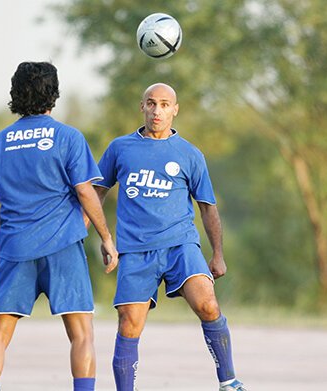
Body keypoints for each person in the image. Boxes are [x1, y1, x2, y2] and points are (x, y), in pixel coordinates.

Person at [0, 61, 118, 391]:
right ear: (54, 92)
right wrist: (106, 237)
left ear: (15, 93)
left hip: (14, 248)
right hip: (63, 246)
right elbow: (85, 191)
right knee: (81, 332)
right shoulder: (68, 136)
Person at [94, 83, 246, 391]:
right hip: (136, 251)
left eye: (165, 104)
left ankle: (228, 382)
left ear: (175, 110)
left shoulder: (190, 154)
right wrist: (102, 236)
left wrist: (217, 253)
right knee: (129, 323)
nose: (157, 110)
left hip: (181, 245)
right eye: (151, 103)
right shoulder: (120, 148)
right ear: (142, 107)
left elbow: (207, 207)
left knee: (207, 304)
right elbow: (95, 193)